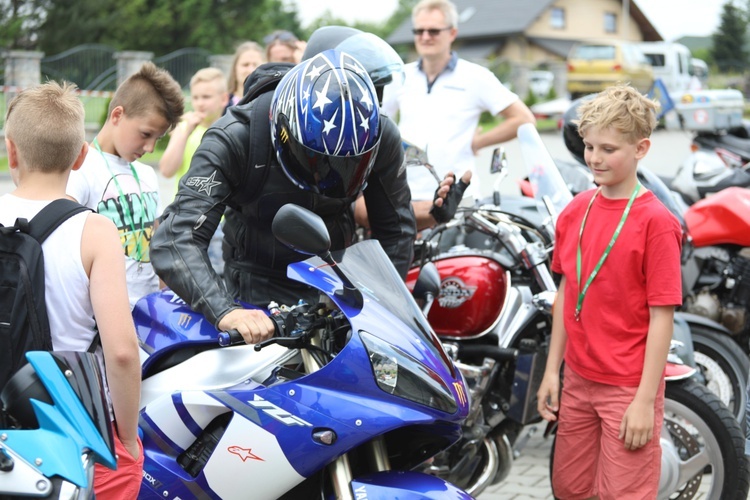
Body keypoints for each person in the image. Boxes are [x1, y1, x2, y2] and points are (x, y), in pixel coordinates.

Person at [151, 47, 416, 346]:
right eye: (319, 161)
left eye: (348, 164)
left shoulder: (379, 134)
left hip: (337, 281)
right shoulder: (235, 138)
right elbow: (175, 236)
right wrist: (225, 310)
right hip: (257, 286)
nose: (330, 175)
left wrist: (379, 304)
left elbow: (397, 230)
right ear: (284, 131)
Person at [536, 84, 683, 498]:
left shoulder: (656, 222)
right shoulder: (575, 211)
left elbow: (662, 317)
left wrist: (643, 401)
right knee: (570, 488)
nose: (595, 158)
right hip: (578, 379)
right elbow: (567, 292)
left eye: (608, 149)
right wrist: (553, 371)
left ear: (641, 149)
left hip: (627, 387)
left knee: (623, 493)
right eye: (589, 146)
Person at [0, 81, 143, 498]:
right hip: (67, 429)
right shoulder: (94, 231)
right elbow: (121, 351)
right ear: (82, 156)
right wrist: (127, 440)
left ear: (11, 149)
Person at [381, 0, 535, 224]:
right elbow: (378, 123)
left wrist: (478, 142)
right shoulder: (400, 76)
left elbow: (523, 118)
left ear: (452, 33)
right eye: (419, 30)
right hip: (405, 195)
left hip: (458, 199)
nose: (425, 36)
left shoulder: (475, 76)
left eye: (433, 30)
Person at [66, 61, 184, 309]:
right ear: (117, 115)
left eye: (158, 138)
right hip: (102, 316)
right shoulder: (80, 169)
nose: (150, 148)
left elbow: (157, 243)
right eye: (145, 134)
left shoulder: (146, 174)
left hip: (149, 311)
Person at [159, 67, 229, 197]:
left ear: (224, 99)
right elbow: (166, 171)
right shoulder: (183, 127)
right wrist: (183, 133)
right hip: (186, 211)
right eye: (195, 97)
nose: (200, 103)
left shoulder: (230, 130)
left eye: (206, 97)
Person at [226, 41, 265, 108]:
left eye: (255, 65)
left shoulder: (269, 103)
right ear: (234, 69)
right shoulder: (222, 104)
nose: (251, 70)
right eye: (245, 65)